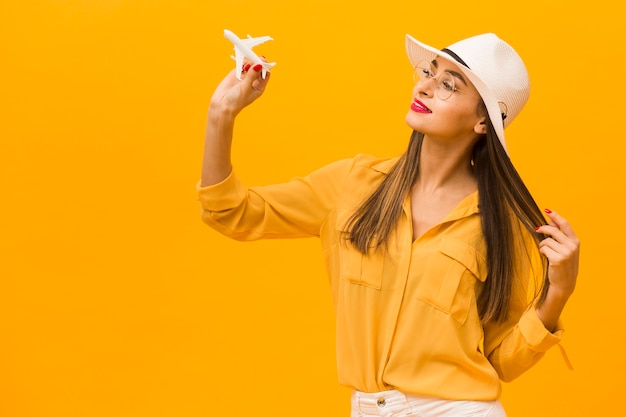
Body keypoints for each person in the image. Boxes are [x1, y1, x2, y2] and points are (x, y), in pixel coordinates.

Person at [197, 32, 580, 417]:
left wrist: (557, 294)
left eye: (448, 84)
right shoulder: (353, 184)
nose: (425, 86)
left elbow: (500, 361)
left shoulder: (499, 225)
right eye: (429, 72)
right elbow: (230, 212)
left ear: (483, 121)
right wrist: (220, 116)